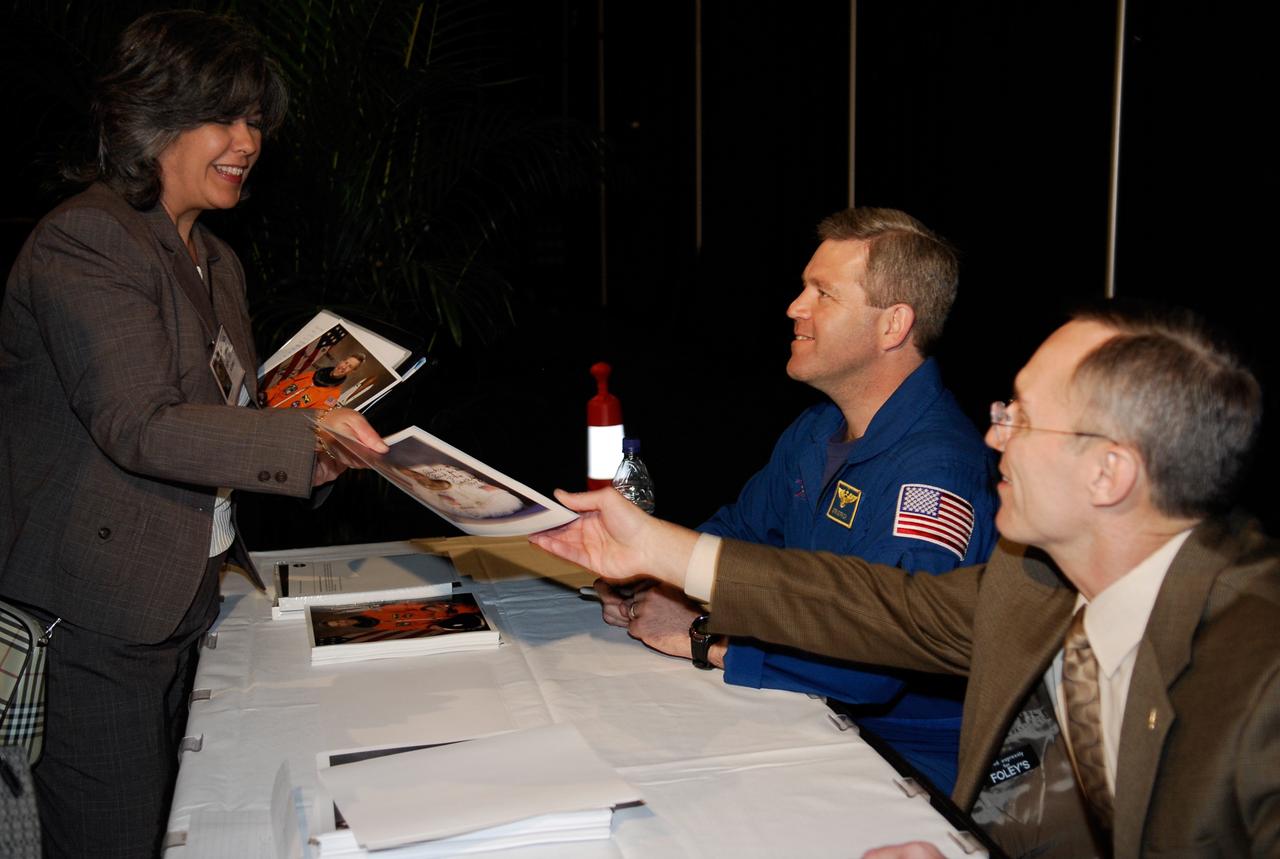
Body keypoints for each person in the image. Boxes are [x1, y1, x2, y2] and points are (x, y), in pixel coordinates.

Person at [531, 303, 1277, 858]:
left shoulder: (1261, 680)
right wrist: (658, 549)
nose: (992, 436)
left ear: (1108, 472)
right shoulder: (1036, 580)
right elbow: (874, 603)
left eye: (1022, 418)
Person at [0, 11, 388, 858]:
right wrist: (301, 435)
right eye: (225, 115)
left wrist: (322, 451)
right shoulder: (89, 239)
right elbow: (138, 425)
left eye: (255, 121)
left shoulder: (217, 260)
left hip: (190, 608)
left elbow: (227, 423)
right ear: (151, 118)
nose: (247, 140)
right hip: (99, 624)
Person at [595, 207, 997, 793]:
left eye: (822, 293)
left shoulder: (936, 473)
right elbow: (741, 533)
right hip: (816, 719)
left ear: (893, 326)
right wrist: (655, 583)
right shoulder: (818, 429)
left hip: (904, 763)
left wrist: (704, 638)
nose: (794, 307)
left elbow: (879, 660)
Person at [262, 351, 366, 409]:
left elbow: (313, 415)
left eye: (350, 367)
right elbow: (282, 387)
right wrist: (266, 395)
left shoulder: (333, 395)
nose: (344, 367)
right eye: (346, 363)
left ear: (352, 372)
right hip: (264, 406)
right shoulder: (311, 374)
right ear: (341, 361)